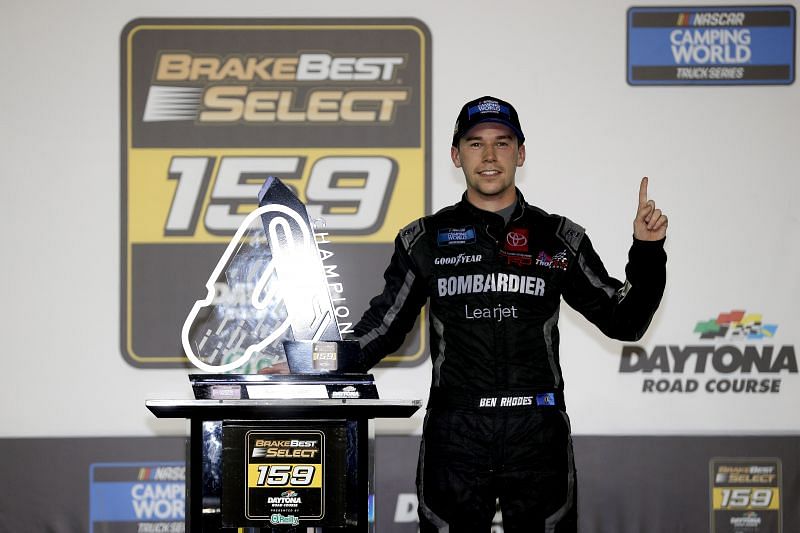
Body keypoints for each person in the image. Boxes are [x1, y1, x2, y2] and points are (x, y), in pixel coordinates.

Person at [352, 96, 667, 532]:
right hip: (457, 432)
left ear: (520, 153)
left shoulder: (558, 239)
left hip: (536, 432)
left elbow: (625, 320)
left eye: (502, 144)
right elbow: (381, 330)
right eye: (475, 143)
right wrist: (310, 364)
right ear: (455, 154)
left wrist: (647, 251)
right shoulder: (425, 240)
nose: (488, 156)